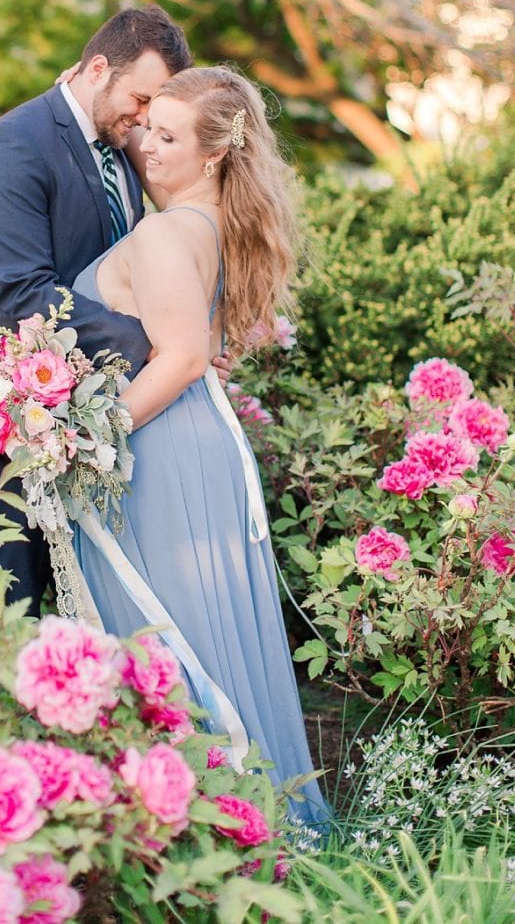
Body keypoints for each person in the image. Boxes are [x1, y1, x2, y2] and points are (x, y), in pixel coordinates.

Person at [68, 65, 329, 833]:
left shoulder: (161, 231)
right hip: (196, 440)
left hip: (159, 448)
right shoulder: (211, 227)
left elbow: (180, 357)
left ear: (214, 154)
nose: (147, 144)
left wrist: (83, 440)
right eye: (149, 126)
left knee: (165, 639)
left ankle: (214, 826)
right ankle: (251, 820)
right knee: (200, 636)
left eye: (170, 134)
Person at [0, 4, 191, 613]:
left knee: (72, 612)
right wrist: (160, 346)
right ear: (98, 68)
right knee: (1, 611)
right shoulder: (15, 144)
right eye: (141, 98)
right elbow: (26, 294)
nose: (147, 119)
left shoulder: (121, 145)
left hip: (71, 416)